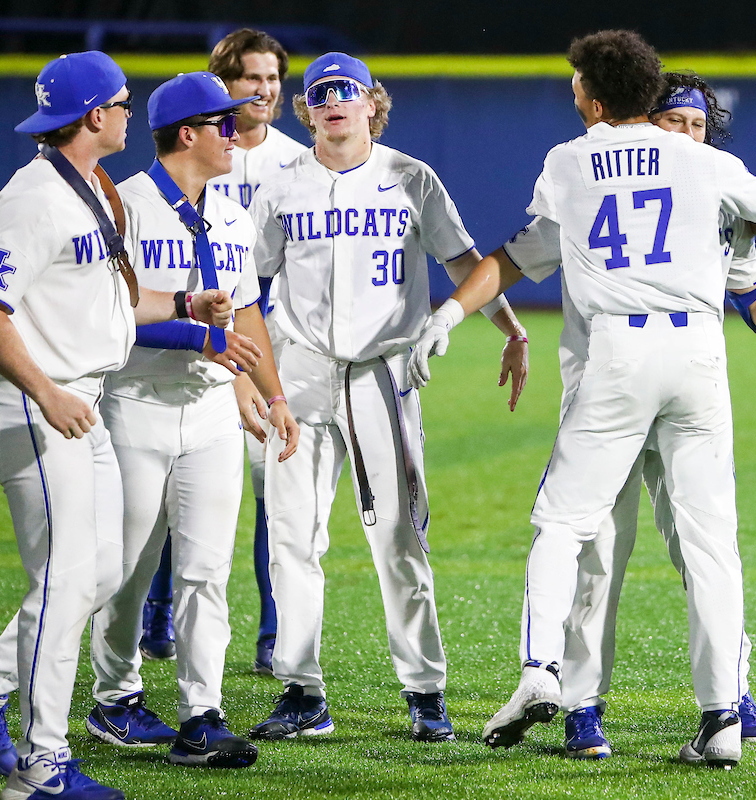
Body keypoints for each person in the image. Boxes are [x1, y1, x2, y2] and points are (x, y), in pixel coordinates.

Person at [408, 30, 756, 768]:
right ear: (654, 102)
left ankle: (545, 675)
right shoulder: (709, 169)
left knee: (567, 528)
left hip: (614, 359)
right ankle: (715, 715)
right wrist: (723, 191)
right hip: (696, 357)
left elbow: (515, 253)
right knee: (707, 548)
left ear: (596, 100)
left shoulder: (572, 163)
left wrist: (447, 315)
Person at [247, 52, 529, 743]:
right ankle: (301, 688)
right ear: (306, 110)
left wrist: (512, 328)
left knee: (400, 537)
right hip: (301, 372)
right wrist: (249, 380)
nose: (335, 101)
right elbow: (250, 293)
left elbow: (462, 261)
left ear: (373, 103)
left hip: (383, 375)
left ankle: (425, 690)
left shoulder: (411, 177)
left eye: (348, 91)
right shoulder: (281, 188)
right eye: (321, 93)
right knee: (291, 537)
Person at [0, 51, 234, 799]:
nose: (129, 112)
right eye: (121, 103)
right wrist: (45, 392)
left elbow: (116, 303)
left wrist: (187, 305)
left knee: (100, 573)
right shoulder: (29, 200)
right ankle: (40, 765)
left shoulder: (92, 190)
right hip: (36, 403)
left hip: (78, 401)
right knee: (61, 584)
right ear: (94, 116)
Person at [555, 71, 756, 760]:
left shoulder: (708, 201)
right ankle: (582, 705)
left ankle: (727, 696)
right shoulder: (607, 176)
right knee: (598, 553)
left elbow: (752, 283)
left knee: (704, 546)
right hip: (605, 380)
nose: (685, 135)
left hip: (678, 381)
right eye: (672, 123)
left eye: (696, 126)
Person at [83, 71, 299, 769]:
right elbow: (114, 318)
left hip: (209, 411)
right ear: (187, 134)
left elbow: (246, 316)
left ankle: (200, 714)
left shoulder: (231, 215)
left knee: (208, 569)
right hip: (135, 406)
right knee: (124, 568)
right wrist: (201, 334)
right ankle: (115, 698)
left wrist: (273, 394)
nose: (237, 135)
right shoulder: (127, 207)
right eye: (224, 125)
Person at [137, 27, 307, 675]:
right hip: (177, 343)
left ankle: (271, 633)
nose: (263, 91)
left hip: (265, 339)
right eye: (250, 79)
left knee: (271, 491)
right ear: (222, 88)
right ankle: (154, 616)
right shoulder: (175, 172)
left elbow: (264, 287)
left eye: (272, 79)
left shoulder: (297, 162)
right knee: (171, 492)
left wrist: (268, 376)